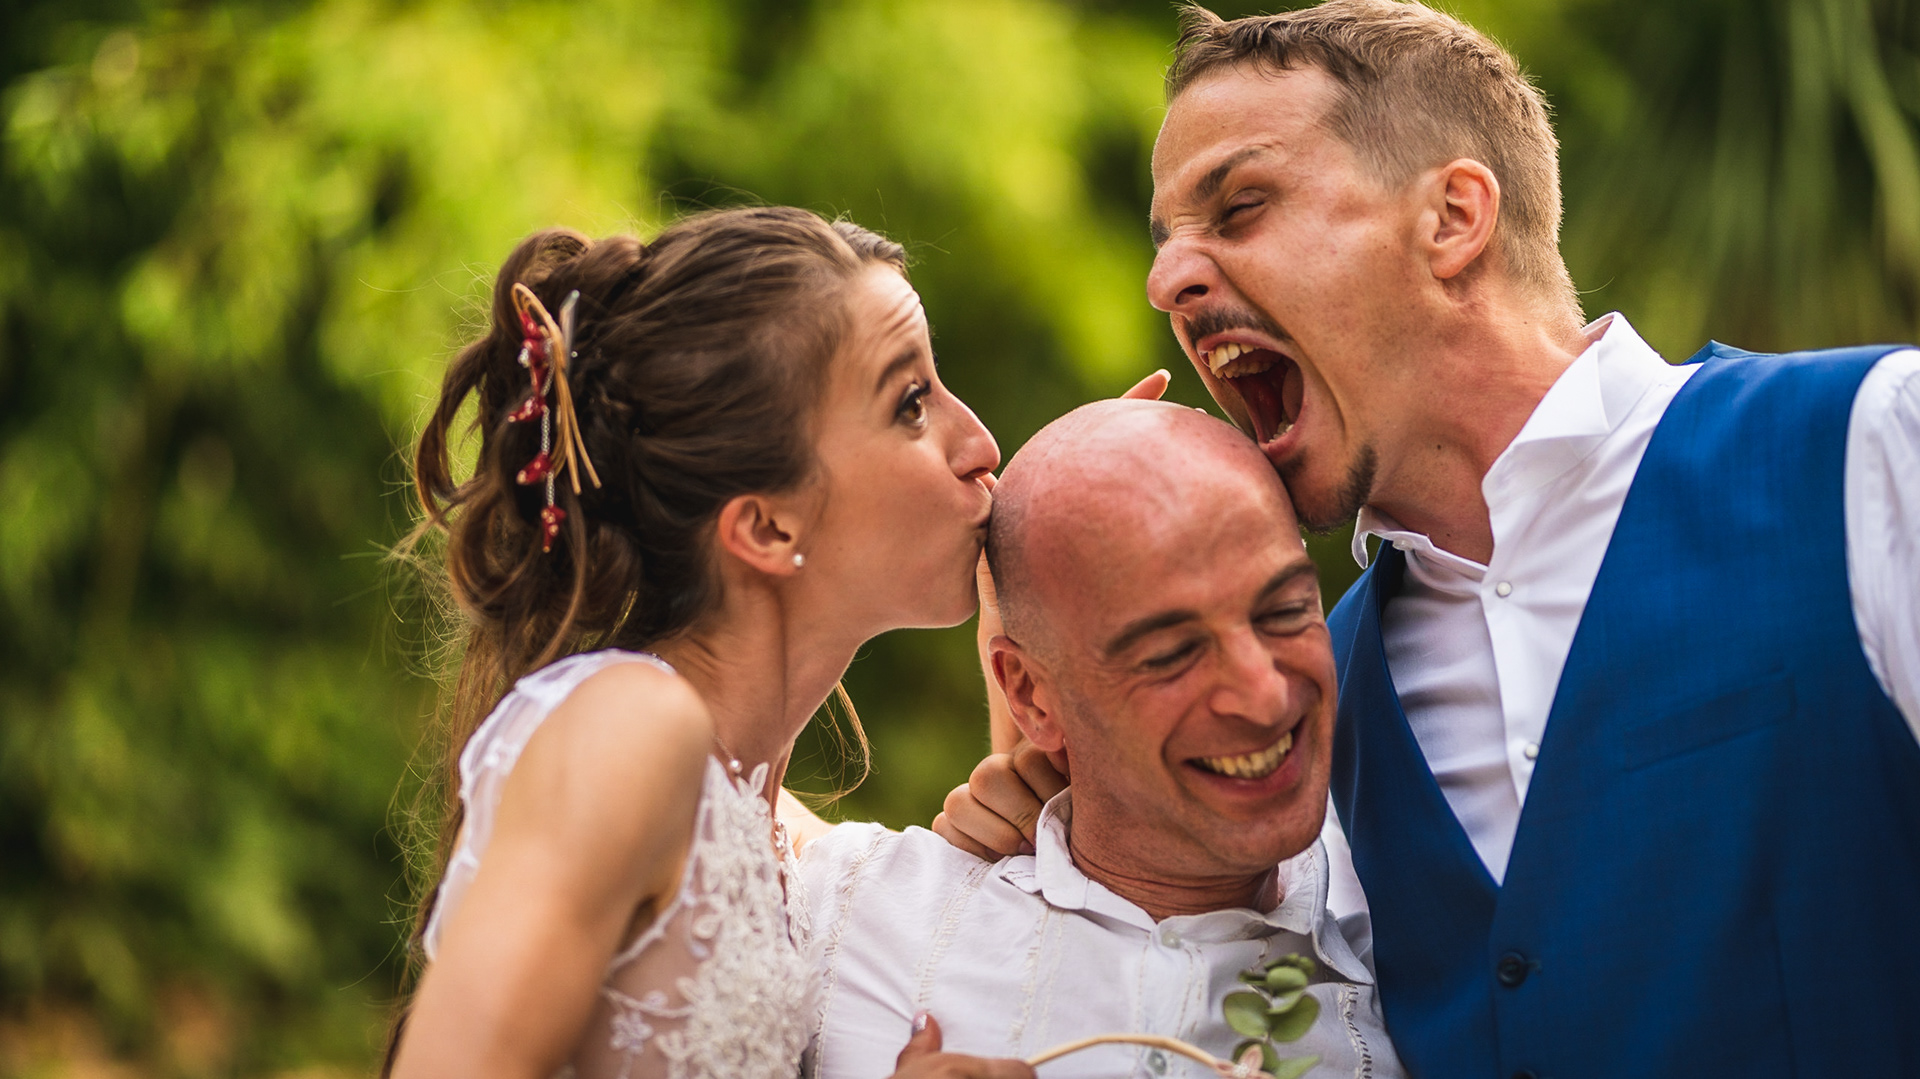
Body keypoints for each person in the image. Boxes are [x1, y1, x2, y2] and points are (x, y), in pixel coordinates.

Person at [951, 3, 1920, 1077]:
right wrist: (1065, 788)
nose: (1166, 281)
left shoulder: (1869, 444)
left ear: (1454, 218)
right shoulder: (1297, 703)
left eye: (1240, 206)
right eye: (1167, 241)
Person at [386, 207, 1034, 1079]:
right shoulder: (631, 729)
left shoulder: (772, 835)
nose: (981, 443)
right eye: (911, 404)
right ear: (765, 527)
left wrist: (1049, 629)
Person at [799, 400, 1403, 1079]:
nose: (1264, 695)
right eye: (1172, 653)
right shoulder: (850, 918)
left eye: (1286, 611)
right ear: (1030, 693)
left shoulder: (1412, 957)